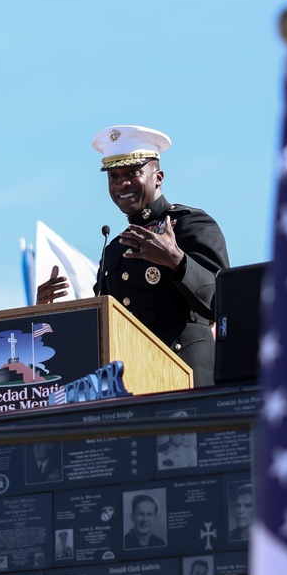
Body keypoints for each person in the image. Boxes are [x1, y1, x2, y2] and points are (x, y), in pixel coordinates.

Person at [36, 125, 229, 387]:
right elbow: (101, 329)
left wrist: (176, 260)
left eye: (132, 173)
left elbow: (222, 305)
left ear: (158, 177)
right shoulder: (115, 248)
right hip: (132, 390)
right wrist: (47, 314)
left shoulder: (190, 225)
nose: (121, 184)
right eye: (113, 176)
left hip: (186, 384)